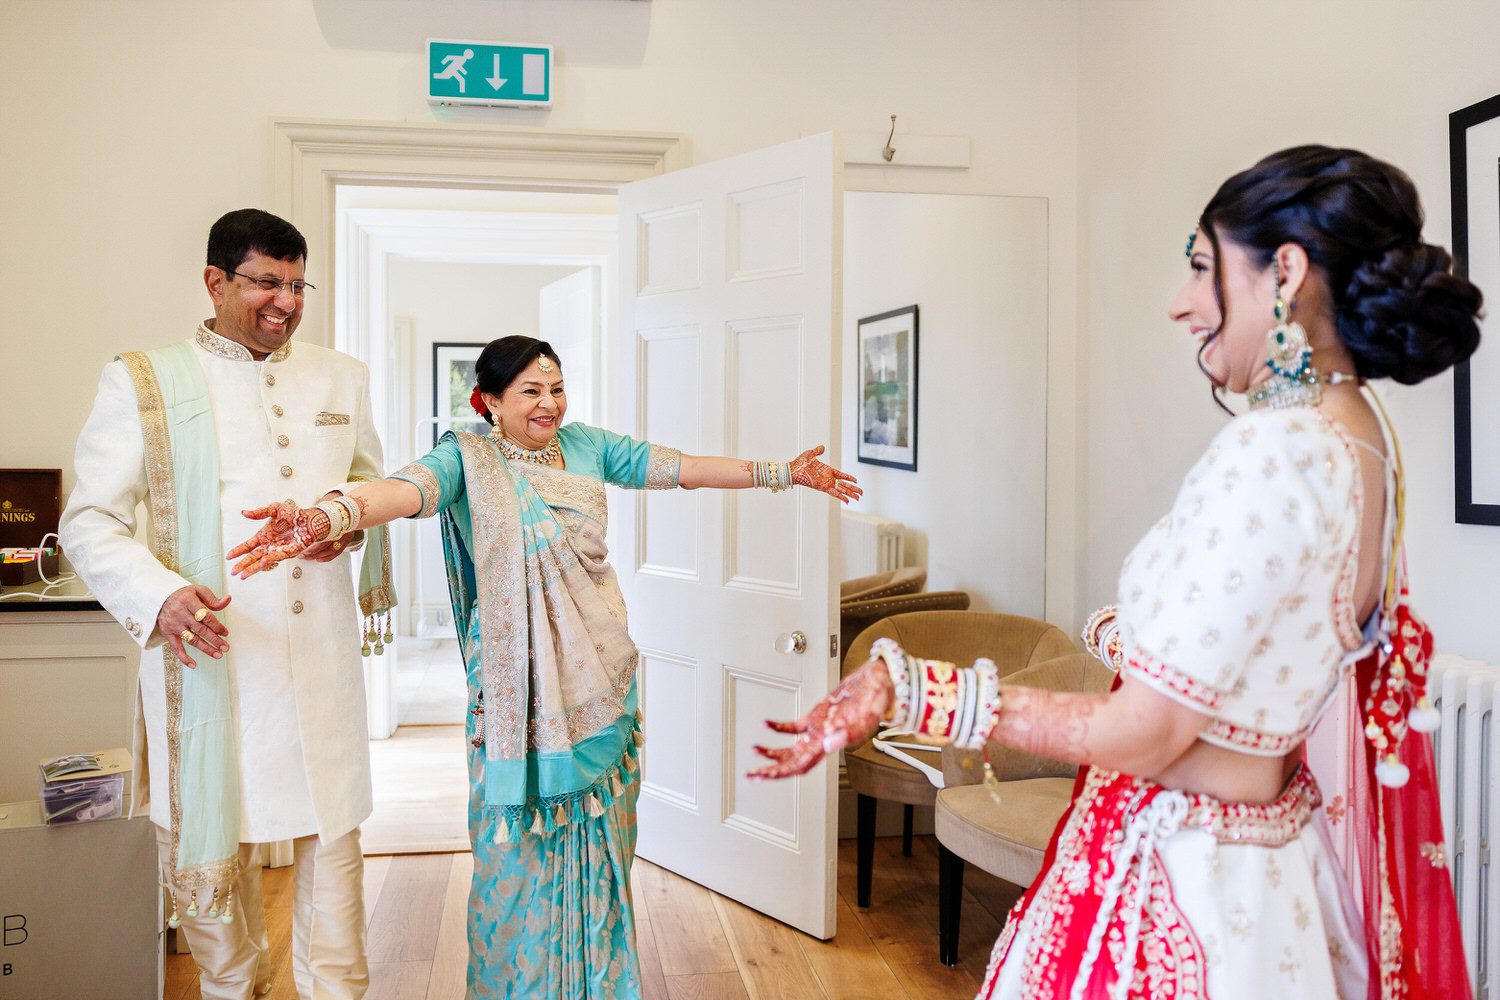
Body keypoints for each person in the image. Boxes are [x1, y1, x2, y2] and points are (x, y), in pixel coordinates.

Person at [750, 146, 1482, 999]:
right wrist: (1128, 634)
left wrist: (910, 690)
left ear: (1284, 272)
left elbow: (1150, 731)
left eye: (1202, 268)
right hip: (1271, 867)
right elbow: (1258, 667)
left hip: (1185, 880)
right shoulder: (1363, 437)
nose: (1180, 304)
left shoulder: (1274, 451)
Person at [223, 335, 861, 998]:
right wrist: (327, 516)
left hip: (601, 678)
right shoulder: (464, 459)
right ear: (488, 402)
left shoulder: (588, 446)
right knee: (511, 858)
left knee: (603, 847)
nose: (549, 403)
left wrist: (784, 473)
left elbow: (686, 468)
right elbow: (403, 492)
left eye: (556, 388)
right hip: (509, 698)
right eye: (530, 390)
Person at [60, 209, 393, 1000]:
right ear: (215, 282)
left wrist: (340, 532)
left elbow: (371, 490)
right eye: (264, 283)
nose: (284, 302)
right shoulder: (146, 378)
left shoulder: (341, 375)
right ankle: (228, 987)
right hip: (210, 654)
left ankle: (336, 990)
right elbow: (89, 519)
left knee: (333, 838)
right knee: (214, 840)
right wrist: (161, 596)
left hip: (319, 660)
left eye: (296, 284)